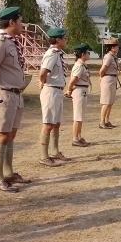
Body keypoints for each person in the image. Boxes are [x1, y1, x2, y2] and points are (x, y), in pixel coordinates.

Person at [0, 7, 31, 192]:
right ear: (11, 22)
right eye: (20, 21)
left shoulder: (12, 42)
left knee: (10, 135)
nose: (22, 24)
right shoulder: (0, 42)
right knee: (1, 135)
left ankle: (9, 173)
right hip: (3, 94)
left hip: (15, 95)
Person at [37, 28, 69, 167]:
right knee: (48, 124)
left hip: (57, 91)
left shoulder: (57, 54)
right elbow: (43, 72)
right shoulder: (52, 54)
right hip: (51, 91)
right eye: (64, 38)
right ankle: (44, 156)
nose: (66, 40)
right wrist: (43, 83)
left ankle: (55, 152)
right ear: (58, 40)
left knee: (56, 124)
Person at [66, 44, 91, 146]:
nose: (89, 54)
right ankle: (75, 138)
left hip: (82, 90)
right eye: (87, 53)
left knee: (81, 116)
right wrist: (69, 90)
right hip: (79, 90)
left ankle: (79, 136)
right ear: (82, 54)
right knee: (78, 116)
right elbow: (74, 80)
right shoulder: (79, 65)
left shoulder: (82, 65)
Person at [99, 38, 120, 129]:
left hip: (112, 79)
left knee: (110, 102)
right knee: (106, 102)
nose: (118, 48)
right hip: (108, 79)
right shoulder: (108, 57)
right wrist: (104, 78)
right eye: (116, 46)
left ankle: (107, 120)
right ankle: (102, 122)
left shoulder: (113, 57)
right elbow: (102, 70)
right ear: (112, 48)